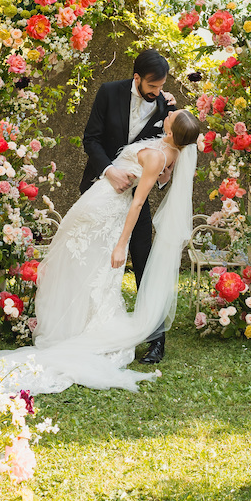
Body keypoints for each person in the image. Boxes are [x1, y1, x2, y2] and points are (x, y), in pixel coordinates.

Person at [0, 109, 201, 394]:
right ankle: (75, 325)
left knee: (86, 267)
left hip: (105, 210)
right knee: (78, 264)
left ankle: (80, 330)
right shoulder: (170, 149)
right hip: (99, 202)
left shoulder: (156, 156)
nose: (170, 111)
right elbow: (162, 169)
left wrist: (121, 244)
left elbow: (138, 204)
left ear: (173, 132)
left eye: (173, 116)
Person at [79, 50, 176, 363]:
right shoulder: (109, 92)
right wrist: (110, 170)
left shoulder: (165, 105)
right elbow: (91, 139)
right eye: (152, 86)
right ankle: (86, 328)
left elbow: (166, 154)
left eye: (161, 87)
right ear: (137, 78)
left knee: (145, 262)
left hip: (137, 199)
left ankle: (155, 339)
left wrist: (162, 177)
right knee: (91, 260)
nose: (157, 93)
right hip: (100, 189)